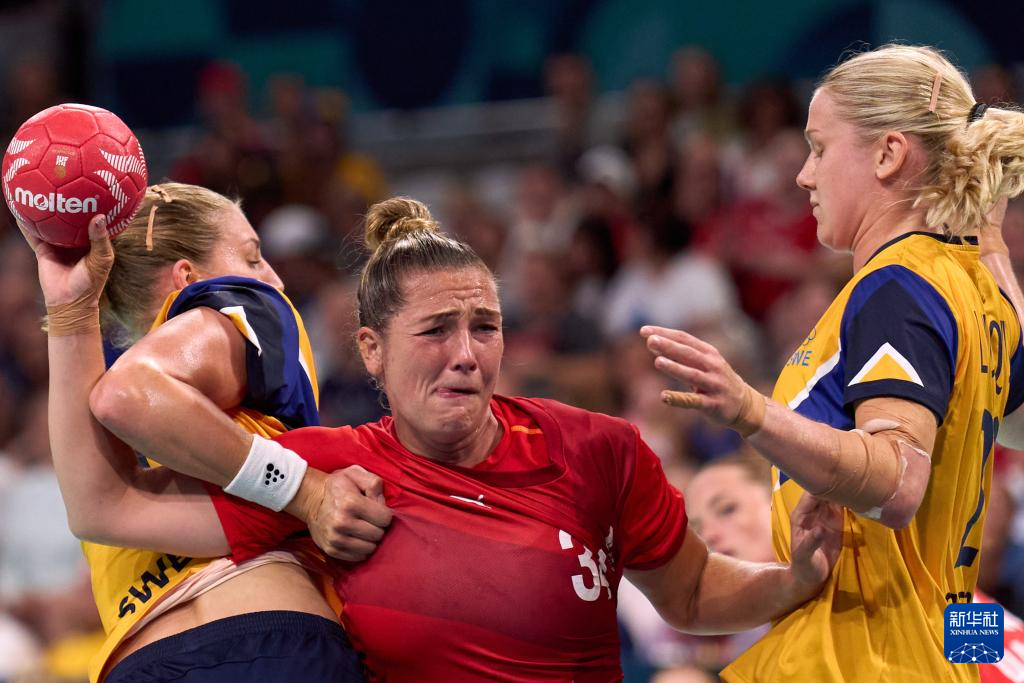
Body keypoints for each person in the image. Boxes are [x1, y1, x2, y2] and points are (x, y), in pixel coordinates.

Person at [46, 195, 844, 681]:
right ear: (370, 350)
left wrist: (791, 579)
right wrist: (71, 310)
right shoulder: (332, 477)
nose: (466, 353)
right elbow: (108, 505)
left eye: (485, 326)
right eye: (435, 329)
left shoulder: (599, 448)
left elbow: (692, 592)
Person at [642, 44, 1024, 681]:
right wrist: (990, 236)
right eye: (702, 520)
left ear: (888, 153)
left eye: (818, 148)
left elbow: (898, 481)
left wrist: (751, 411)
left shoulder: (895, 286)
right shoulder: (971, 290)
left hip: (853, 661)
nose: (804, 175)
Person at [29, 183, 376, 681]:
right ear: (188, 278)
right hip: (266, 646)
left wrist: (70, 310)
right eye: (253, 257)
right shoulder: (255, 305)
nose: (274, 278)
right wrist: (305, 492)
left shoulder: (85, 398)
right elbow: (124, 404)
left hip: (142, 661)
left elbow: (95, 508)